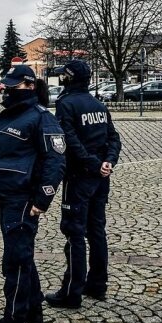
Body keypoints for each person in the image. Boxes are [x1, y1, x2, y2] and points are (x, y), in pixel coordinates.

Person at [0, 65, 66, 323]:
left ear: (30, 86)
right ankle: (33, 310)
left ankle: (14, 322)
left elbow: (56, 161)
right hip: (7, 198)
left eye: (14, 85)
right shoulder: (4, 117)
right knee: (23, 257)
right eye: (7, 85)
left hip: (24, 199)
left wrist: (43, 199)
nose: (8, 89)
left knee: (15, 262)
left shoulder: (42, 118)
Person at [45, 60, 121, 309]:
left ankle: (72, 292)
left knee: (74, 232)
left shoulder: (66, 104)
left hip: (79, 177)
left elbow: (68, 141)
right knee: (97, 231)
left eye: (64, 75)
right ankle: (97, 285)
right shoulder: (97, 104)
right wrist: (108, 162)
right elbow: (113, 137)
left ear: (69, 78)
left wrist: (93, 163)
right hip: (100, 178)